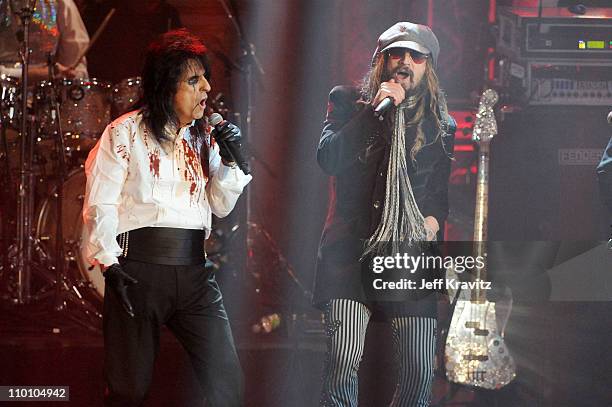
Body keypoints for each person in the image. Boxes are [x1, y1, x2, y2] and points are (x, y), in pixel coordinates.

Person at [82, 29, 251, 406]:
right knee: (129, 389)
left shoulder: (203, 137)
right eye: (193, 80)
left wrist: (230, 161)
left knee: (228, 385)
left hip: (194, 272)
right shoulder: (124, 133)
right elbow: (100, 203)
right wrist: (109, 265)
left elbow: (220, 205)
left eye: (205, 76)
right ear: (164, 85)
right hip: (139, 270)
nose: (207, 87)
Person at [314, 22, 456, 406]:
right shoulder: (348, 103)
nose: (405, 62)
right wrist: (374, 113)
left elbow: (439, 196)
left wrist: (431, 222)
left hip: (408, 253)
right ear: (381, 61)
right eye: (397, 54)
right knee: (343, 362)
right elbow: (329, 158)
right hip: (352, 252)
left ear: (429, 66)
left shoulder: (441, 124)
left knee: (420, 370)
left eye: (415, 56)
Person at [0, 0, 89, 80]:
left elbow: (76, 72)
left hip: (45, 94)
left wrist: (65, 75)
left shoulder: (62, 3)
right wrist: (42, 74)